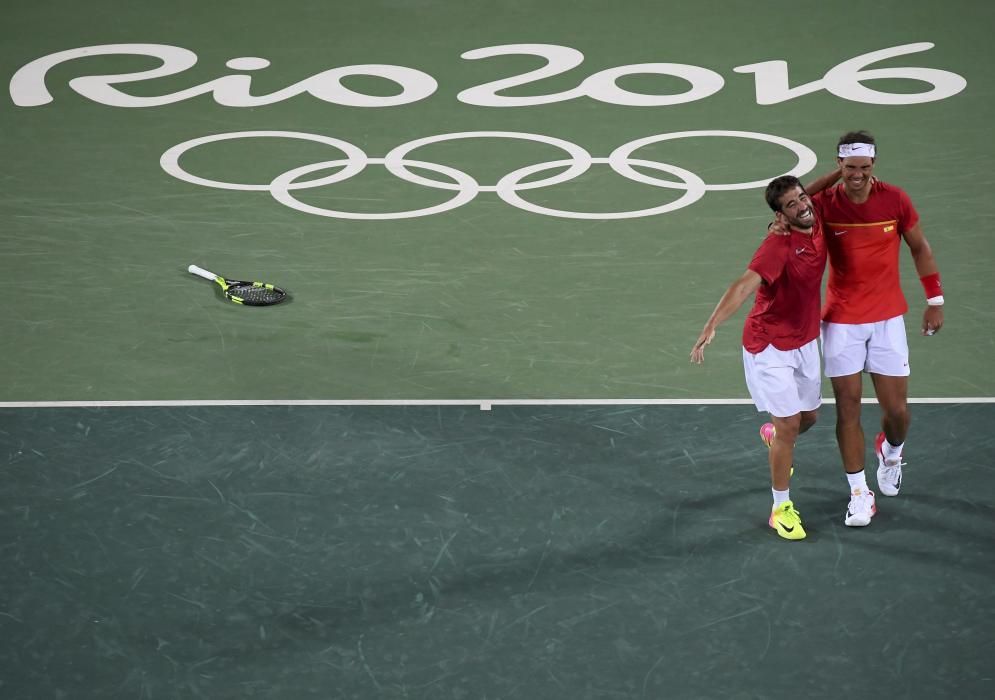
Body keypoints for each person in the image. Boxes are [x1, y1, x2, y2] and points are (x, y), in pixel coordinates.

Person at [797, 130, 945, 524]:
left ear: (874, 165)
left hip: (886, 321)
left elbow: (919, 247)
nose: (857, 175)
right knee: (848, 409)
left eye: (864, 168)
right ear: (839, 165)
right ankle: (859, 493)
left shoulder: (895, 199)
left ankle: (891, 452)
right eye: (849, 168)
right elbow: (789, 205)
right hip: (841, 322)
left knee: (897, 412)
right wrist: (833, 179)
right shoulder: (825, 204)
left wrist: (935, 301)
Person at [691, 175, 827, 540]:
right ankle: (780, 507)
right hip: (769, 346)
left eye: (802, 197)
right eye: (792, 205)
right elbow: (741, 287)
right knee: (788, 428)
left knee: (808, 418)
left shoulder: (816, 217)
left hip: (805, 341)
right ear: (780, 216)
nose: (802, 206)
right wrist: (711, 325)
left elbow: (820, 186)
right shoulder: (776, 248)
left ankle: (775, 435)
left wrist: (842, 169)